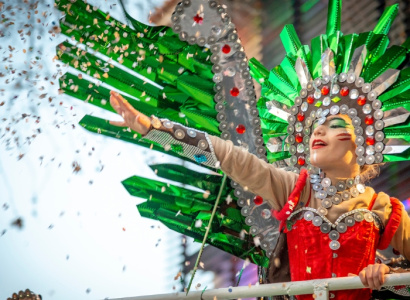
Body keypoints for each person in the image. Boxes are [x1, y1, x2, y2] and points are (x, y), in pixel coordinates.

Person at [109, 90, 410, 299]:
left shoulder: (381, 207)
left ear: (364, 143)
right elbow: (233, 159)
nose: (317, 133)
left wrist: (389, 275)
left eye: (334, 126)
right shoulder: (296, 189)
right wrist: (156, 129)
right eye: (315, 128)